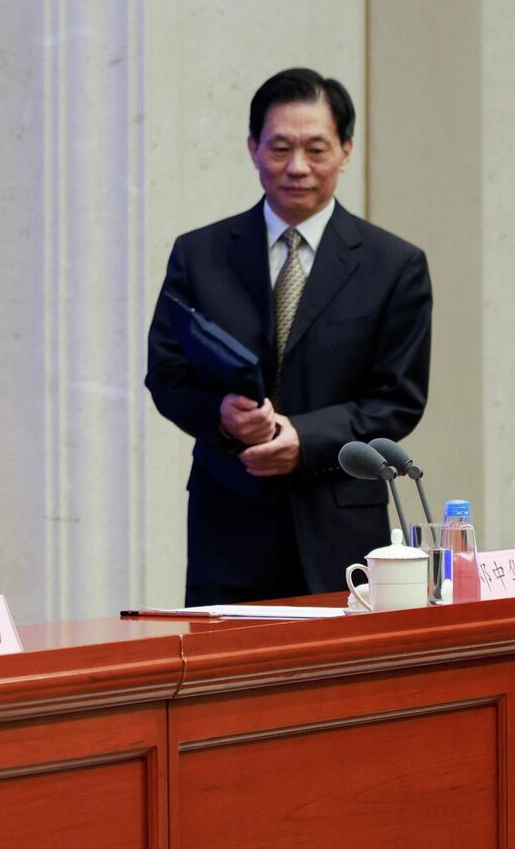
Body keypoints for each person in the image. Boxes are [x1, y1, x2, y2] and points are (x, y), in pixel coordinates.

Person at [146, 67, 432, 605]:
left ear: (346, 151)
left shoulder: (394, 265)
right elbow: (167, 374)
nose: (297, 167)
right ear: (253, 149)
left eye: (316, 149)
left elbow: (398, 400)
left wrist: (304, 438)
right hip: (228, 527)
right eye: (280, 148)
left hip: (342, 533)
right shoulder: (199, 254)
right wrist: (222, 416)